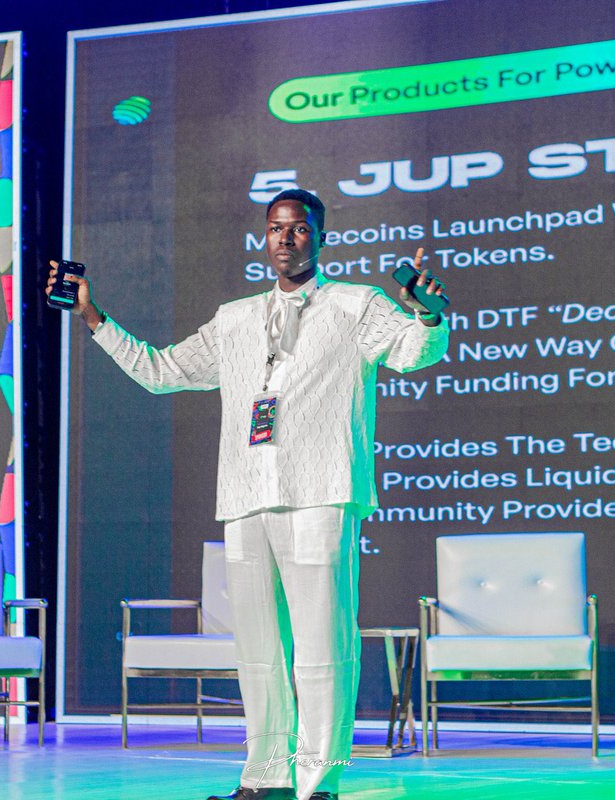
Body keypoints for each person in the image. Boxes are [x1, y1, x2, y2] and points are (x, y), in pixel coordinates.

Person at [48, 189, 449, 800]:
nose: (286, 238)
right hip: (245, 494)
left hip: (320, 491)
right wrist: (92, 317)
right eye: (275, 228)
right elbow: (161, 371)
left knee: (323, 644)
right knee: (258, 649)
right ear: (265, 237)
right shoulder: (234, 318)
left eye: (299, 229)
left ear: (321, 237)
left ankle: (318, 780)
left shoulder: (355, 305)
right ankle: (266, 777)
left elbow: (414, 352)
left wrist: (428, 317)